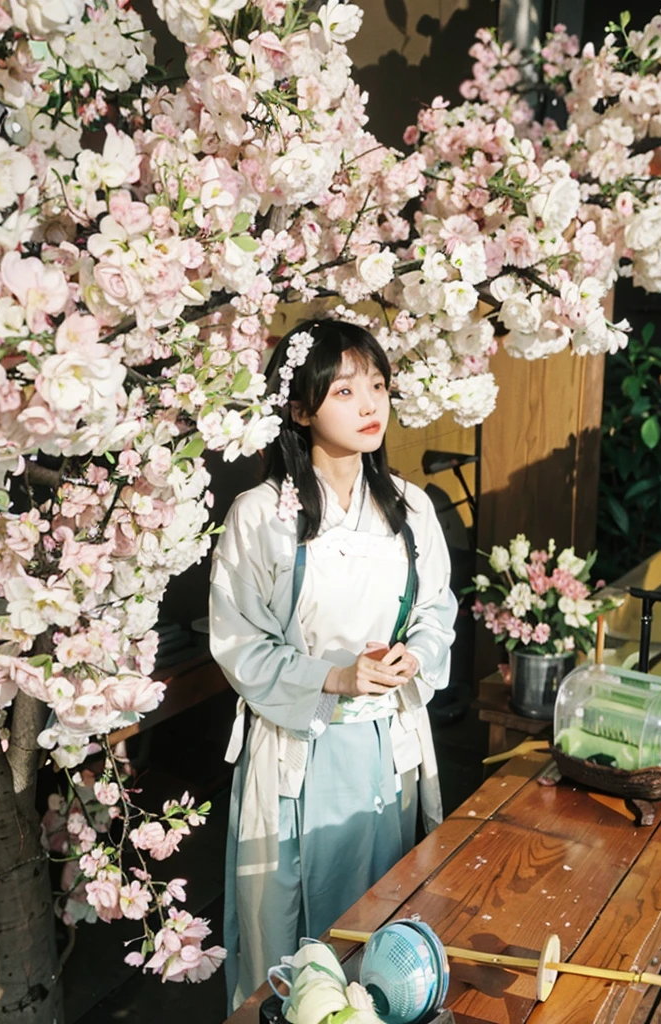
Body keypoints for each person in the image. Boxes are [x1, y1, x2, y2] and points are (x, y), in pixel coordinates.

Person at [209, 319, 457, 1009]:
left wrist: (418, 651)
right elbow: (239, 642)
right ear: (300, 407)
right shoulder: (259, 515)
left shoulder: (409, 507)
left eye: (376, 386)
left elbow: (437, 608)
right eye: (344, 391)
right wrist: (333, 677)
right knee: (289, 936)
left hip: (385, 745)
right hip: (301, 746)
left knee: (377, 923)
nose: (370, 405)